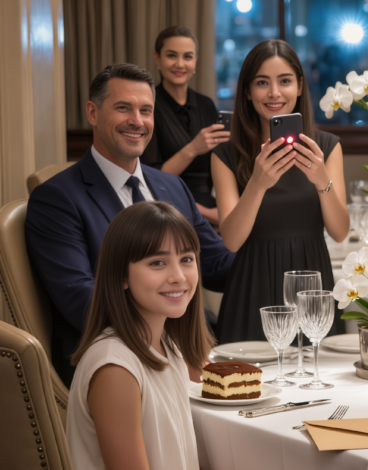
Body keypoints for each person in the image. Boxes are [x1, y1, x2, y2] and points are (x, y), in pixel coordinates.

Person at [25, 63, 234, 387]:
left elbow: (219, 266)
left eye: (146, 110)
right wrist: (171, 346)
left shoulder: (172, 187)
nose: (137, 121)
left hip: (196, 349)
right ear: (92, 113)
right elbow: (82, 300)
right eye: (123, 108)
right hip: (115, 365)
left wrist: (276, 247)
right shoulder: (57, 198)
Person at [211, 40, 349, 344]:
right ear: (247, 92)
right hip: (252, 287)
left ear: (300, 86)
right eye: (262, 83)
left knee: (318, 384)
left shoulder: (327, 147)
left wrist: (321, 180)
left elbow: (339, 232)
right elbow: (232, 240)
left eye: (284, 81)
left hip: (313, 286)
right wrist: (258, 183)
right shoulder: (225, 155)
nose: (274, 93)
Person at [67, 201, 212, 470]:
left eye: (186, 259)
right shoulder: (115, 368)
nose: (178, 276)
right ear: (122, 275)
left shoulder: (169, 346)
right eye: (157, 262)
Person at [140, 26, 229, 225]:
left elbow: (221, 164)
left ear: (195, 60)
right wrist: (193, 148)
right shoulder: (148, 107)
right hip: (164, 208)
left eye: (188, 57)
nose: (180, 64)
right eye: (172, 55)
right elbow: (150, 180)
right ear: (157, 58)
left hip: (211, 204)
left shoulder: (206, 105)